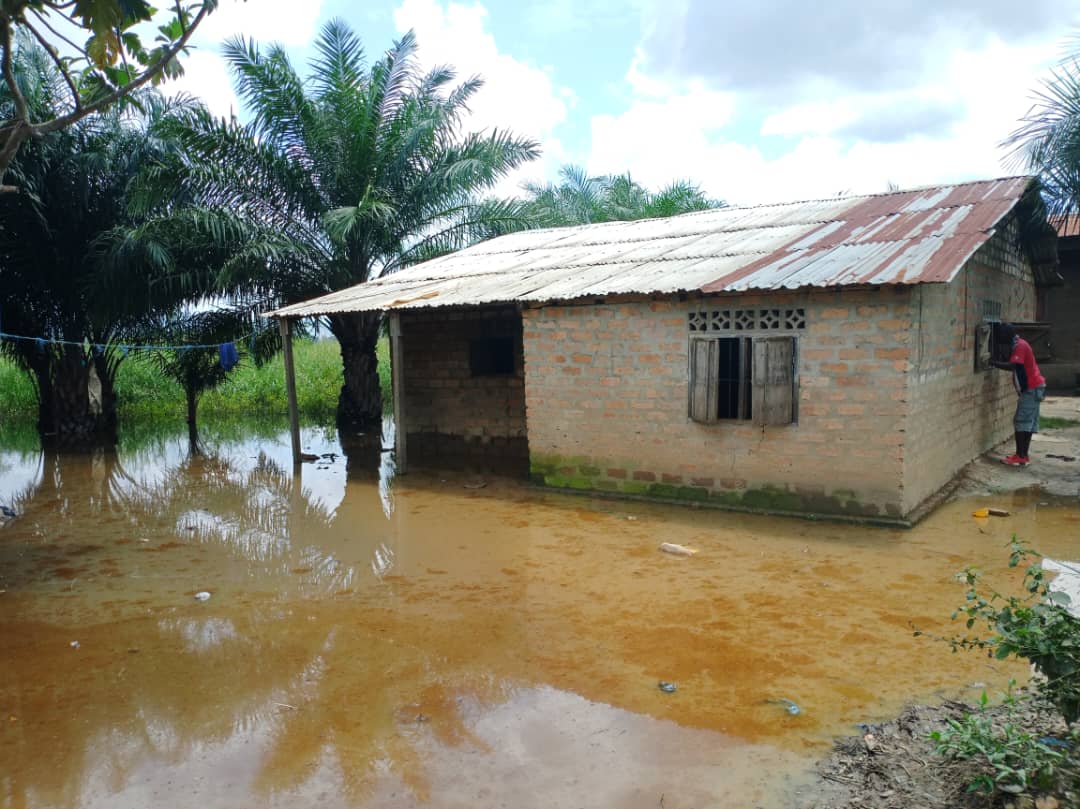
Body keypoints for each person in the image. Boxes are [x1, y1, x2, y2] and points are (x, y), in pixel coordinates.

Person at [992, 323, 1047, 467]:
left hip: (1032, 388)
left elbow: (1014, 366)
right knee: (1027, 423)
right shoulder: (1018, 344)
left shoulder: (1020, 346)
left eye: (1000, 337)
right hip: (1034, 388)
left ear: (1006, 336)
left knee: (1021, 422)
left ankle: (1020, 455)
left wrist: (993, 363)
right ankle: (1023, 455)